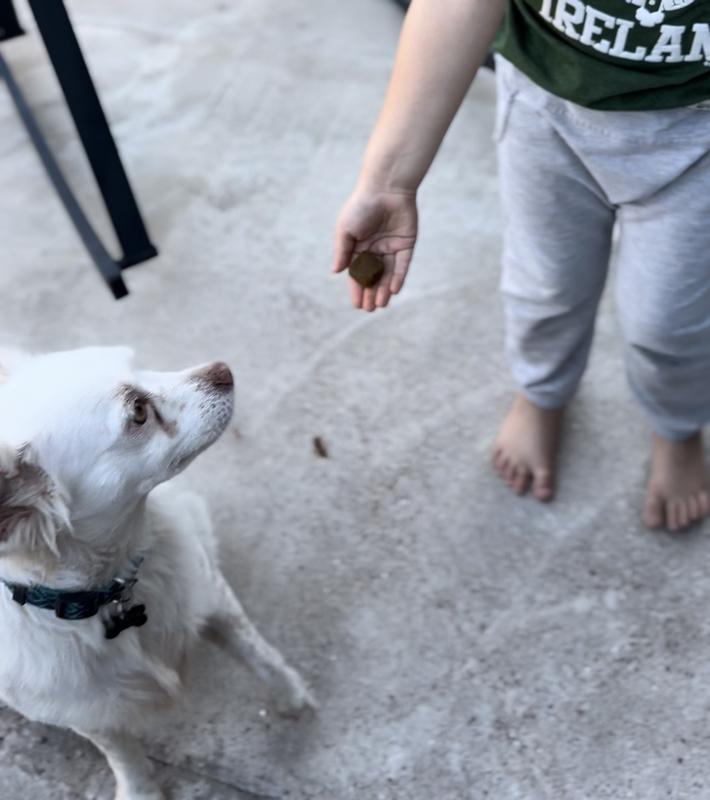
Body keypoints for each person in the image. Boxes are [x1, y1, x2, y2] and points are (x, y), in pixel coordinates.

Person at [331, 0, 710, 532]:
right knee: (545, 284)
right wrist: (391, 179)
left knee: (670, 321)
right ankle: (542, 390)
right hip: (546, 103)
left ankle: (678, 425)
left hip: (699, 131)